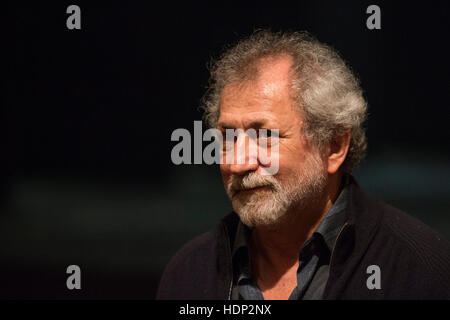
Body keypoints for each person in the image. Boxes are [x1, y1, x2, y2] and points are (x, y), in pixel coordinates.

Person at [157, 30, 450, 299]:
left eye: (264, 136)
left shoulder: (418, 271)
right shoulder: (190, 274)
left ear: (334, 146)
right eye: (228, 138)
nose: (237, 163)